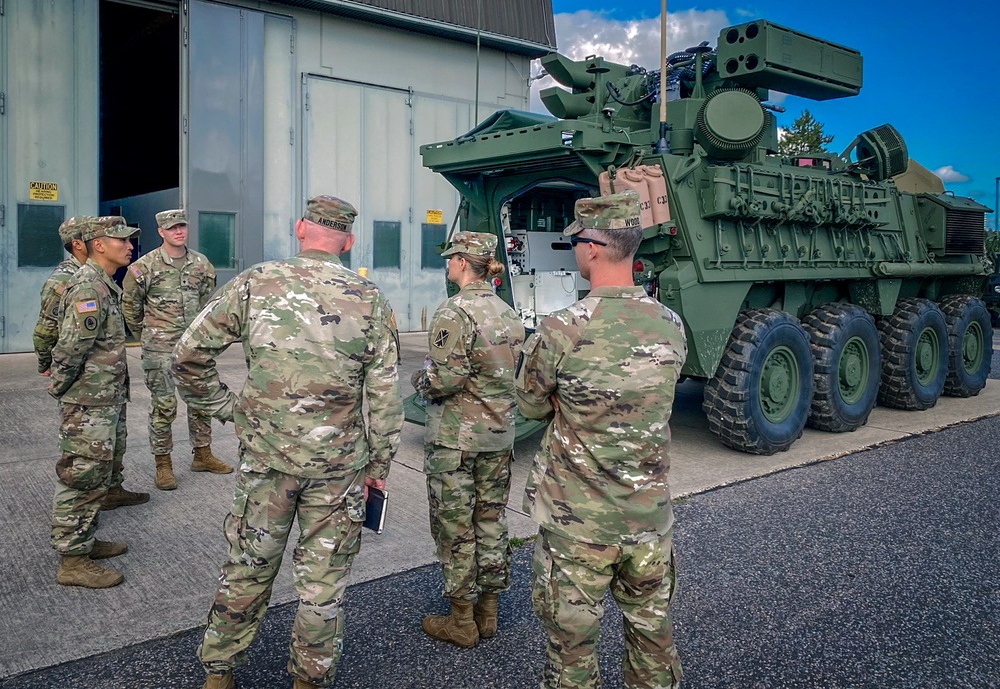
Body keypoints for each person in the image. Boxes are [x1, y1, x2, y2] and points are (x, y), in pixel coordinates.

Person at [172, 195, 404, 689]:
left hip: (267, 459)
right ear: (348, 240)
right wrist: (380, 463)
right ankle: (307, 681)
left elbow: (188, 354)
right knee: (323, 585)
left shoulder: (256, 282)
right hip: (338, 466)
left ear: (301, 229)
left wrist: (228, 408)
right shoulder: (369, 298)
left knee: (248, 566)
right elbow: (385, 397)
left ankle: (219, 673)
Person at [514, 191, 688, 689]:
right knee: (652, 635)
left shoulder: (561, 329)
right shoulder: (670, 325)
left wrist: (569, 404)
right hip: (649, 518)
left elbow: (528, 405)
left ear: (590, 247)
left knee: (572, 651)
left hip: (578, 525)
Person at [410, 231, 526, 648]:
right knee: (491, 520)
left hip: (457, 441)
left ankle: (462, 620)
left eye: (450, 258)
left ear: (461, 262)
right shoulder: (507, 311)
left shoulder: (454, 312)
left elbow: (445, 379)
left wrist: (419, 379)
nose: (447, 265)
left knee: (455, 526)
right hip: (498, 437)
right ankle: (488, 612)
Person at [49, 215, 151, 589]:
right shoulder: (89, 288)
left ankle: (84, 542)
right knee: (81, 477)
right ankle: (72, 560)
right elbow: (71, 347)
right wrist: (62, 388)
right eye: (121, 240)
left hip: (103, 398)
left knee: (97, 477)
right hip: (88, 403)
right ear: (98, 245)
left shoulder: (105, 284)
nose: (129, 246)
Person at [122, 208, 229, 491]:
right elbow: (130, 307)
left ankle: (203, 455)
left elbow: (208, 305)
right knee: (164, 406)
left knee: (200, 403)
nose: (178, 231)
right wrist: (147, 336)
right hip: (160, 350)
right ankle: (163, 464)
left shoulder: (201, 264)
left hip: (194, 348)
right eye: (172, 228)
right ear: (161, 232)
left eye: (182, 226)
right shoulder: (143, 268)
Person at [33, 215, 94, 376]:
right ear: (77, 244)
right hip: (74, 367)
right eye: (93, 236)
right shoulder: (63, 279)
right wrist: (45, 363)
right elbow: (46, 329)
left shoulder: (94, 272)